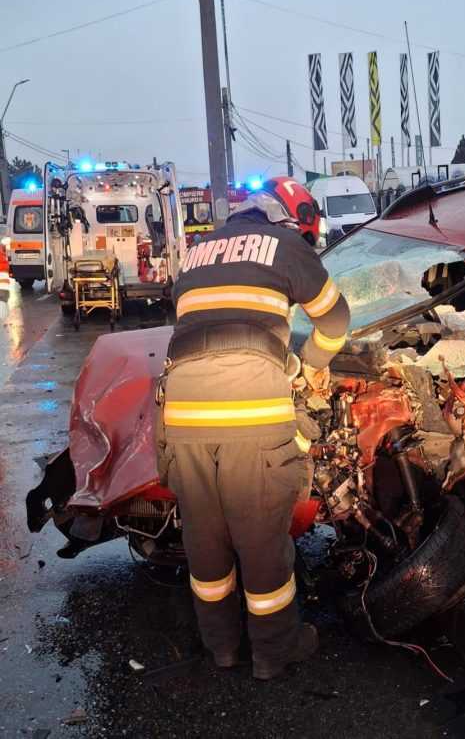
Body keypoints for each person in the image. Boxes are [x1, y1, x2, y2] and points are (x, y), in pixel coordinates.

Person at [156, 177, 350, 680]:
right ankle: (274, 652)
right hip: (251, 415)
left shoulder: (199, 251)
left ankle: (221, 646)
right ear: (291, 218)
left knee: (206, 539)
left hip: (182, 416)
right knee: (262, 543)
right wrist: (311, 368)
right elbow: (336, 321)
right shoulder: (285, 245)